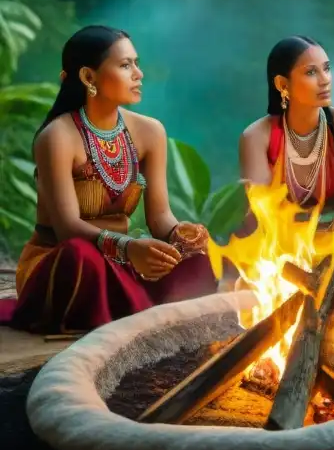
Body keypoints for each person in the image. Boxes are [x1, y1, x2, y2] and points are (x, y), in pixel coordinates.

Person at [0, 26, 215, 334]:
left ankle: (137, 308)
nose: (138, 74)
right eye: (126, 65)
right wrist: (129, 249)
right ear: (89, 78)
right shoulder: (57, 137)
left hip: (124, 260)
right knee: (82, 257)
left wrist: (183, 237)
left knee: (198, 262)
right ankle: (138, 313)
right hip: (64, 262)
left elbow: (160, 218)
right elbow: (66, 228)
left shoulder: (151, 132)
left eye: (136, 63)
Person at [237, 36, 334, 269]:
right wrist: (300, 239)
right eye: (311, 73)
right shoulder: (257, 137)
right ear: (282, 85)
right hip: (280, 241)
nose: (324, 80)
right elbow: (263, 212)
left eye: (327, 69)